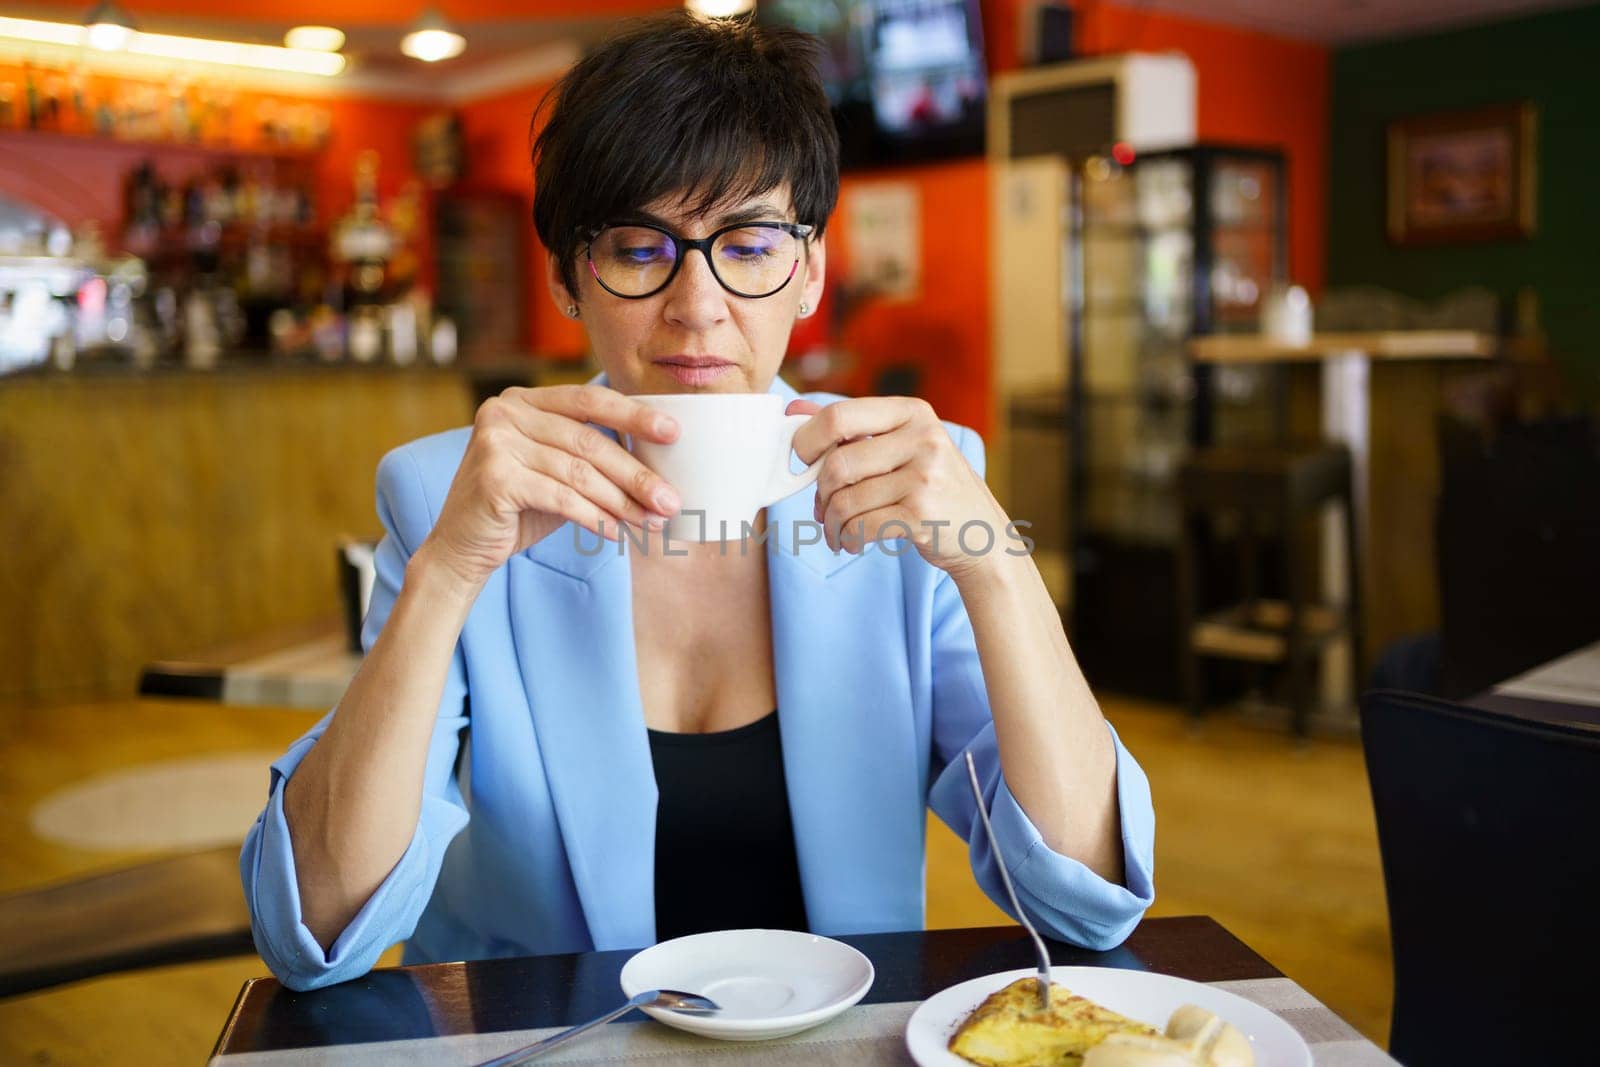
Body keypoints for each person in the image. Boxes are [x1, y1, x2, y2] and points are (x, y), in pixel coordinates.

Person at [241, 13, 1154, 993]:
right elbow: (315, 933)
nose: (697, 305)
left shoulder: (907, 490)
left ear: (806, 273)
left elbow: (1087, 897)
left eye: (749, 244)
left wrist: (994, 560)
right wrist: (447, 575)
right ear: (565, 277)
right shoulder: (448, 499)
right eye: (640, 250)